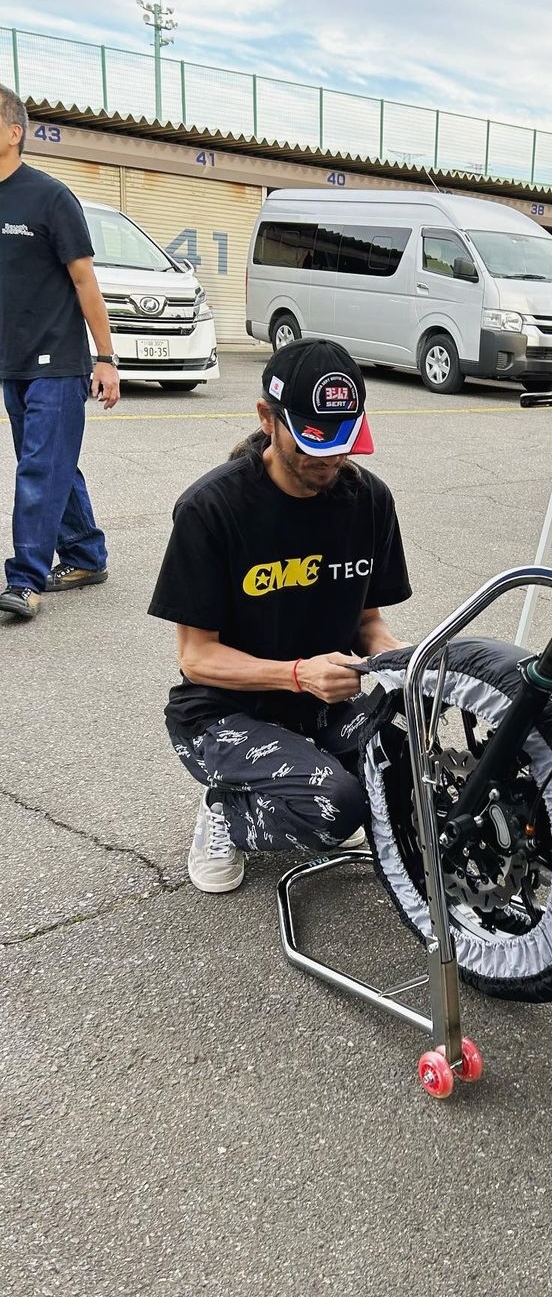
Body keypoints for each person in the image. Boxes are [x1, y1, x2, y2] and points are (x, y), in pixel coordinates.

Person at [148, 338, 412, 894]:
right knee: (336, 808)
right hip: (222, 714)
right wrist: (297, 674)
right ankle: (225, 810)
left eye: (343, 440)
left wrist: (398, 662)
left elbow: (367, 623)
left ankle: (295, 775)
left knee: (406, 766)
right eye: (314, 441)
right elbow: (196, 658)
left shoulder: (368, 500)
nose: (331, 458)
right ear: (267, 418)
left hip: (321, 703)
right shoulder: (212, 508)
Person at [0, 85, 118, 622]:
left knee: (39, 469)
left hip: (57, 361)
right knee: (50, 464)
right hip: (13, 361)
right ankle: (86, 554)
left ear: (14, 132)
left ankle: (24, 581)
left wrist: (106, 358)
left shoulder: (50, 197)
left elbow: (84, 281)